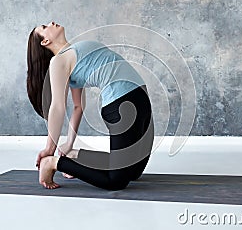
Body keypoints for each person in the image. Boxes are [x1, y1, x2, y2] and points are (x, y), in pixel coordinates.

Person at [26, 20, 154, 191]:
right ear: (45, 42)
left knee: (134, 171)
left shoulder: (72, 54)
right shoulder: (58, 61)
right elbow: (58, 107)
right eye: (44, 27)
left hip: (140, 98)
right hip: (121, 104)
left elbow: (79, 107)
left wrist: (69, 143)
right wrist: (50, 149)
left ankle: (75, 157)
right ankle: (54, 163)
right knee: (117, 182)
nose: (51, 23)